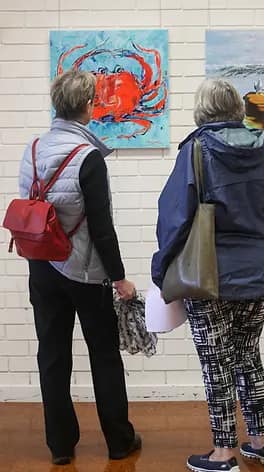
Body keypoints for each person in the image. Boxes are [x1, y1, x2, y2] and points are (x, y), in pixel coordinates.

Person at [152, 78, 264, 472]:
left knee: (217, 362)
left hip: (207, 277)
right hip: (257, 274)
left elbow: (175, 220)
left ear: (203, 109)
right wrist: (255, 252)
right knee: (248, 355)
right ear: (236, 109)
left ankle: (224, 452)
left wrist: (162, 269)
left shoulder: (196, 150)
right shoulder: (263, 151)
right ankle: (261, 442)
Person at [18, 70, 141, 465]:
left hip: (42, 267)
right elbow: (102, 229)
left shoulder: (33, 149)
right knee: (104, 355)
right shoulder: (87, 157)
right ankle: (120, 442)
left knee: (52, 356)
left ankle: (60, 447)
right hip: (86, 273)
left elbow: (32, 208)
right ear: (88, 106)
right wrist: (119, 277)